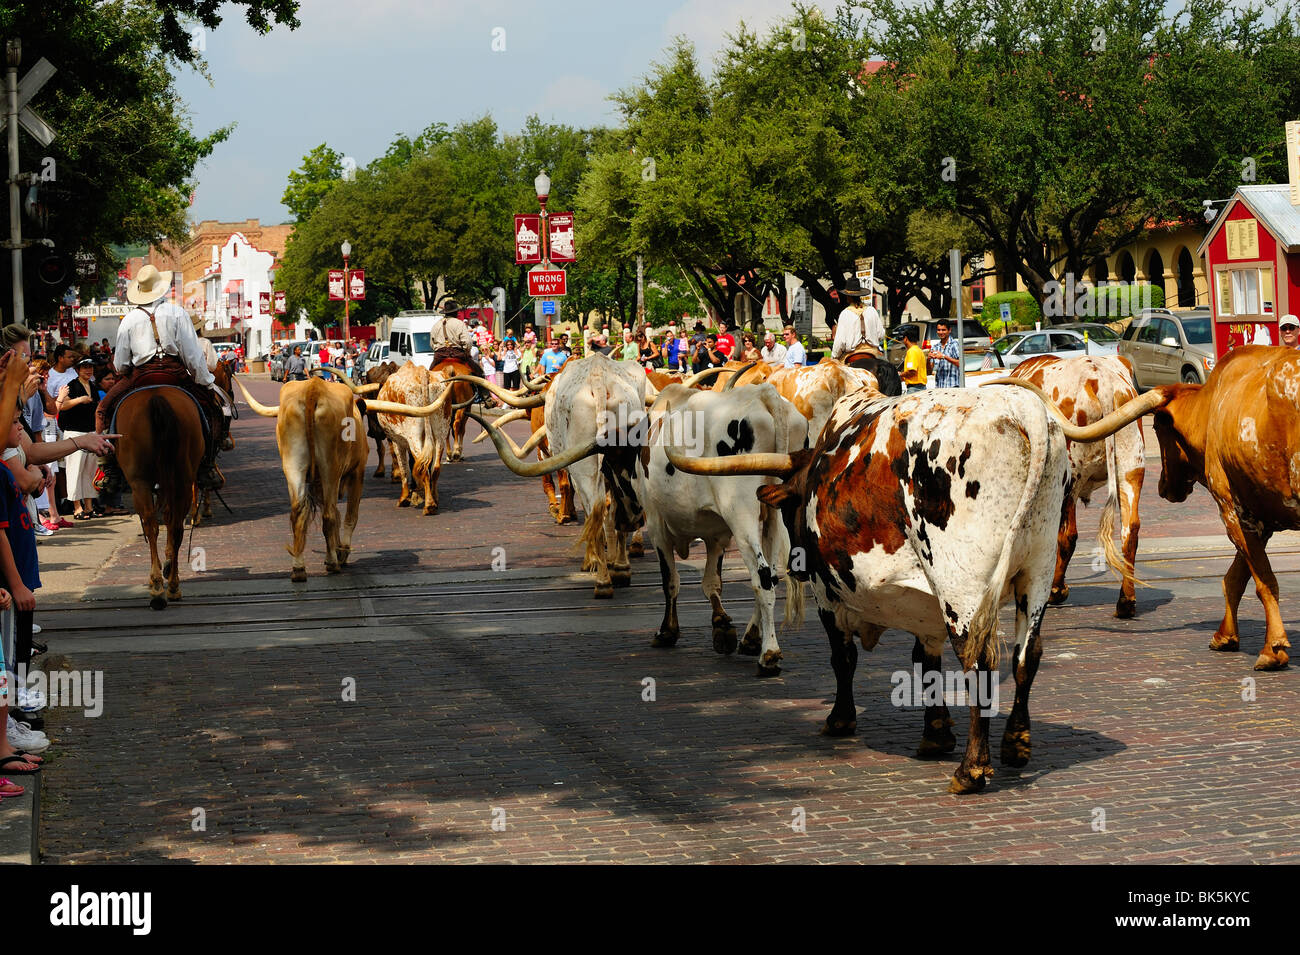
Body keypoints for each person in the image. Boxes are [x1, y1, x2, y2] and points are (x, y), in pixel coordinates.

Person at [94, 264, 225, 493]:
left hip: (140, 376)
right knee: (213, 408)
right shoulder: (177, 312)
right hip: (175, 374)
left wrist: (127, 370)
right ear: (161, 289)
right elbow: (192, 355)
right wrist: (205, 381)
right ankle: (207, 464)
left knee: (103, 410)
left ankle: (110, 470)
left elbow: (121, 363)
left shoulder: (129, 319)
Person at [55, 359, 100, 520]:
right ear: (78, 369)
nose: (88, 370)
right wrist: (80, 400)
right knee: (75, 470)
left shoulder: (93, 387)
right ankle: (76, 506)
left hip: (90, 432)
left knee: (89, 471)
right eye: (85, 367)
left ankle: (89, 505)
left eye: (91, 367)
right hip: (74, 433)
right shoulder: (71, 385)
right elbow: (62, 405)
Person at [831, 277, 885, 359]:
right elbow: (881, 334)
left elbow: (840, 342)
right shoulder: (872, 310)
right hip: (872, 353)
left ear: (848, 297)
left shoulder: (845, 314)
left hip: (852, 354)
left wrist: (834, 356)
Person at [928, 319, 963, 389]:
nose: (941, 332)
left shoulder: (954, 344)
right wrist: (928, 359)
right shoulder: (935, 347)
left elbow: (961, 364)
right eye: (939, 330)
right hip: (940, 388)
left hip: (953, 387)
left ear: (949, 330)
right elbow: (929, 372)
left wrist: (944, 357)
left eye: (943, 330)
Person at [900, 327, 928, 394]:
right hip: (921, 388)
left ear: (906, 339)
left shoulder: (912, 351)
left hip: (914, 389)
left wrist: (900, 374)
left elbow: (912, 372)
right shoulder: (919, 350)